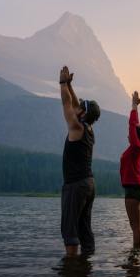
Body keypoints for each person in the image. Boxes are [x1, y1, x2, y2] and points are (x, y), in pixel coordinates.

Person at [59, 66, 101, 256]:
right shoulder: (89, 129)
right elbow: (77, 106)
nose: (78, 106)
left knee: (70, 230)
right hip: (88, 184)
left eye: (81, 107)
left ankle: (72, 274)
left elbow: (68, 105)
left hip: (76, 185)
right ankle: (86, 269)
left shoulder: (76, 127)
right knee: (84, 228)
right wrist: (70, 85)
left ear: (83, 114)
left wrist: (62, 84)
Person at [120, 91, 140, 248]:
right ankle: (137, 257)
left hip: (133, 189)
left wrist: (133, 106)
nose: (128, 135)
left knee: (135, 227)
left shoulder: (136, 147)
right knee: (137, 227)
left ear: (135, 136)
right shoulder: (135, 148)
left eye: (131, 134)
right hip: (134, 189)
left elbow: (132, 125)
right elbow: (134, 127)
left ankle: (135, 257)